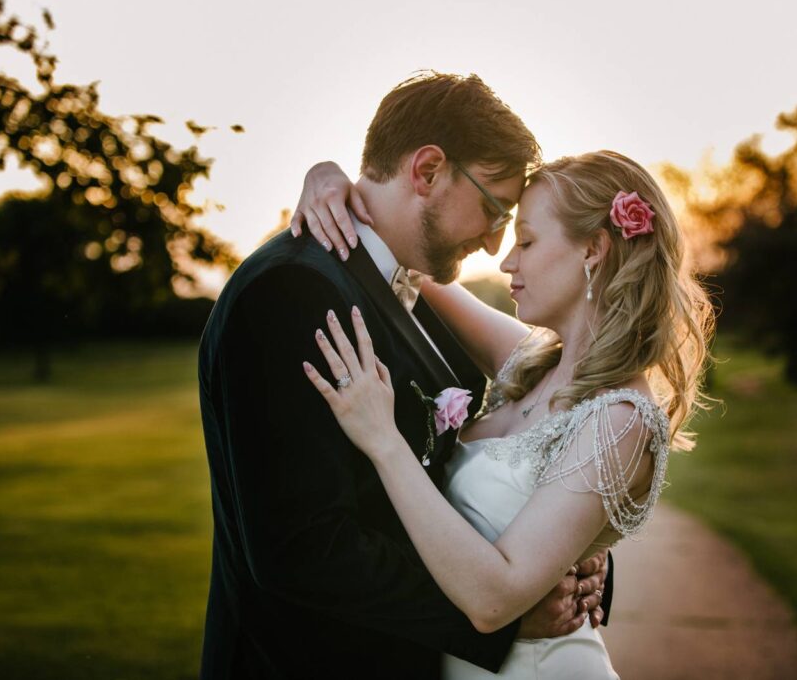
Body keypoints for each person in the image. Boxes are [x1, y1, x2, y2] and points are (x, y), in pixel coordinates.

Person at [196, 71, 610, 680]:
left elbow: (498, 457)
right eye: (494, 206)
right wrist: (500, 618)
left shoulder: (413, 292)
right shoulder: (293, 291)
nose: (497, 240)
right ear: (427, 170)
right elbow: (301, 548)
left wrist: (572, 554)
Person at [295, 150, 715, 678]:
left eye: (528, 241)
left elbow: (493, 600)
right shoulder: (534, 363)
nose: (506, 261)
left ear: (594, 249)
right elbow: (406, 261)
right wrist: (327, 179)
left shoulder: (621, 419)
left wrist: (383, 441)